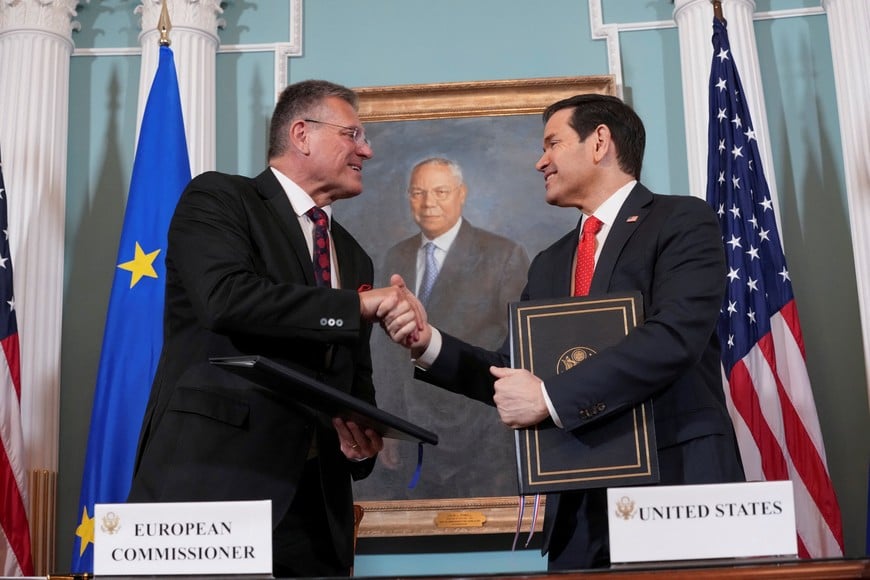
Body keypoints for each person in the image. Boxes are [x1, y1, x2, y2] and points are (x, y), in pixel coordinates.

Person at [381, 93, 745, 570]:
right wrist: (428, 343)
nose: (540, 161)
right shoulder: (553, 261)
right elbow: (512, 374)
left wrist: (549, 397)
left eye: (552, 143)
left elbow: (672, 338)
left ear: (599, 143)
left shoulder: (681, 221)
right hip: (579, 514)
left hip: (672, 487)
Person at [127, 79, 422, 578]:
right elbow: (227, 300)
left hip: (313, 518)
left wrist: (359, 442)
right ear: (302, 134)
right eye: (353, 134)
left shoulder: (352, 254)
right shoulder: (219, 198)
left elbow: (353, 381)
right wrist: (356, 307)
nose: (366, 150)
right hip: (213, 491)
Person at [355, 157, 529, 499]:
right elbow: (385, 353)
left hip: (483, 439)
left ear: (461, 194)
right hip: (412, 433)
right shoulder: (396, 256)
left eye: (440, 191)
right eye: (418, 192)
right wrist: (385, 422)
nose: (428, 202)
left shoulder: (503, 256)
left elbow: (519, 350)